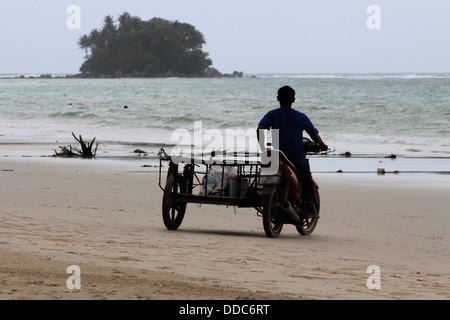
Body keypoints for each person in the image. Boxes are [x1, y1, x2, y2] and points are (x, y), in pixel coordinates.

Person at [257, 85, 328, 218]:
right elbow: (314, 135)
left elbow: (260, 128)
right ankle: (308, 208)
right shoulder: (301, 117)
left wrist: (263, 148)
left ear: (278, 98)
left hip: (278, 157)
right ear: (294, 100)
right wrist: (322, 145)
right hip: (296, 159)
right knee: (308, 181)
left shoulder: (272, 114)